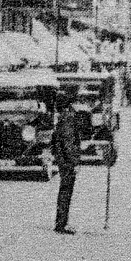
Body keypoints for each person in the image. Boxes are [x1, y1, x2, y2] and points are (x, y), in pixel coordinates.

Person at [51, 96, 82, 234]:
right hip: (67, 162)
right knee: (65, 192)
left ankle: (61, 223)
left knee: (64, 191)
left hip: (62, 160)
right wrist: (75, 162)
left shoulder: (62, 119)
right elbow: (69, 145)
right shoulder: (68, 120)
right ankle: (61, 224)